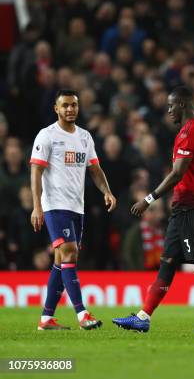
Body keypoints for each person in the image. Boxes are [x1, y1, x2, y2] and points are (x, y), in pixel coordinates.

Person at [112, 86, 194, 334]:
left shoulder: (189, 133)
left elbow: (178, 173)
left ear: (183, 104)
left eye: (171, 105)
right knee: (167, 261)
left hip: (191, 206)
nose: (168, 111)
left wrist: (149, 198)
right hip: (185, 207)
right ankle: (143, 317)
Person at [30, 89, 117, 330]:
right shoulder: (46, 136)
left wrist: (106, 191)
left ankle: (46, 318)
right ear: (56, 109)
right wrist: (37, 207)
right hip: (54, 205)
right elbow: (36, 172)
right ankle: (82, 314)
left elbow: (95, 170)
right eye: (65, 105)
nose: (70, 109)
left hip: (76, 207)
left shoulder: (85, 137)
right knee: (70, 254)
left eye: (73, 105)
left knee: (61, 259)